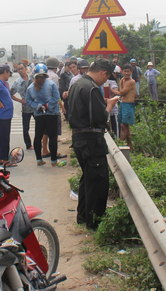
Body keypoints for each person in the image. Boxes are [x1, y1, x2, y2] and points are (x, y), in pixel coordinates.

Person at [67, 58, 119, 229]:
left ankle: (83, 216)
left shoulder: (77, 84)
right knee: (98, 180)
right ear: (103, 73)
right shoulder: (92, 88)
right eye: (107, 78)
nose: (105, 81)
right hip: (91, 140)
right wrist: (110, 105)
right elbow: (101, 118)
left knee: (88, 178)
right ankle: (95, 222)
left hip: (79, 139)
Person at [25, 63, 62, 167]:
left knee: (38, 137)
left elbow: (28, 101)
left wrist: (38, 106)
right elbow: (56, 98)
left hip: (39, 115)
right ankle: (54, 161)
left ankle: (39, 160)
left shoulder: (30, 87)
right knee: (52, 137)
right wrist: (48, 106)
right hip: (52, 114)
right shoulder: (51, 84)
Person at [10, 63, 34, 150]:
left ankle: (40, 141)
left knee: (40, 125)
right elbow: (11, 94)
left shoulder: (32, 78)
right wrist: (20, 100)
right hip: (26, 107)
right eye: (18, 69)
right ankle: (28, 145)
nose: (20, 70)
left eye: (21, 68)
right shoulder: (17, 82)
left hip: (35, 105)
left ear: (25, 68)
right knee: (25, 127)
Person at [113, 63, 135, 149]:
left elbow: (121, 93)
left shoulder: (131, 81)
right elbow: (121, 91)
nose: (126, 73)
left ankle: (120, 142)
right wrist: (121, 83)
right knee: (125, 126)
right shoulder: (123, 80)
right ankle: (130, 145)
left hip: (128, 105)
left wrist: (110, 89)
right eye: (125, 71)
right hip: (123, 103)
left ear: (131, 72)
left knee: (124, 126)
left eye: (128, 71)